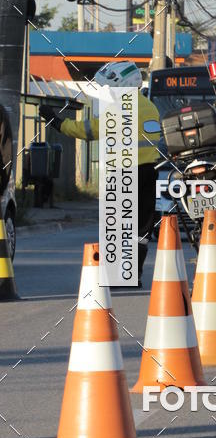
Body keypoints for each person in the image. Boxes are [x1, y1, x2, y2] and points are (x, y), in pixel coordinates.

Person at [40, 61, 162, 287]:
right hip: (148, 172)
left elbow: (87, 131)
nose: (107, 91)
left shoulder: (119, 109)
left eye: (110, 87)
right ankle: (134, 274)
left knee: (117, 228)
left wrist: (56, 122)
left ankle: (118, 275)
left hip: (122, 174)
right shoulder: (151, 107)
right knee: (141, 228)